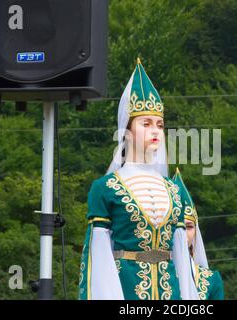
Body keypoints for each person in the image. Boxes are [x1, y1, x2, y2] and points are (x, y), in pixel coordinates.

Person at [78, 58, 199, 300]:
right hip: (126, 290)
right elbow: (99, 255)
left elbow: (182, 260)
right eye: (146, 123)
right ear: (127, 131)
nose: (155, 130)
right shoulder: (106, 188)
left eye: (160, 124)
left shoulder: (173, 190)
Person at [172, 167, 225, 300]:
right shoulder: (151, 274)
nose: (182, 234)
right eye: (176, 227)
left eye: (188, 227)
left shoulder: (211, 280)